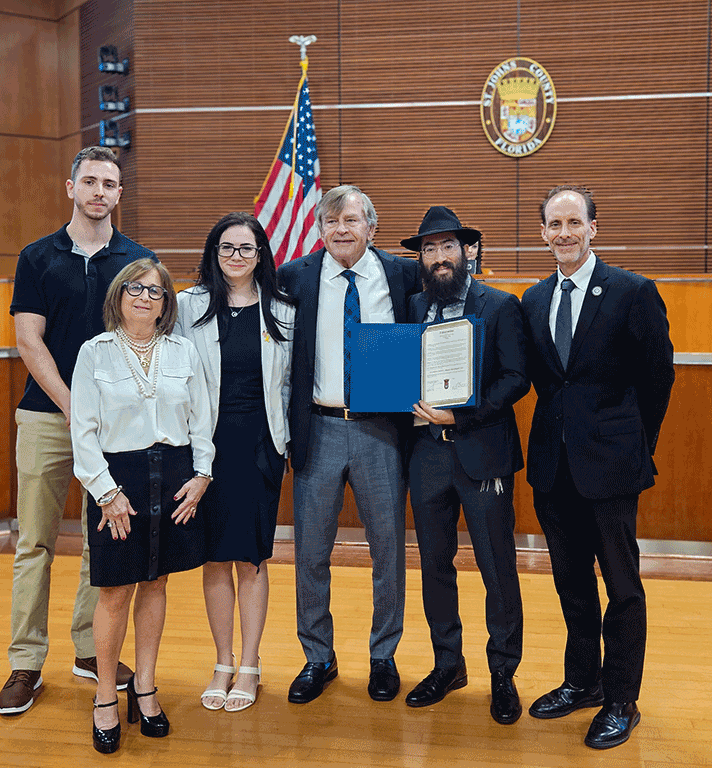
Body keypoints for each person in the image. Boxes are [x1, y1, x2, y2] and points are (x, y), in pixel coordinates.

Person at [1, 146, 153, 716]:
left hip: (117, 427)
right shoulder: (37, 257)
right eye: (89, 181)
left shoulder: (138, 261)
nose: (99, 191)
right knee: (34, 541)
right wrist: (73, 406)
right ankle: (25, 662)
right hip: (47, 415)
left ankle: (91, 651)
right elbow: (28, 340)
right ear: (70, 188)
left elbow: (148, 340)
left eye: (109, 183)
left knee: (104, 540)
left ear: (119, 194)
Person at [521, 185, 675, 749]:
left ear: (593, 227)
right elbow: (544, 382)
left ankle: (620, 700)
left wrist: (635, 445)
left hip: (612, 468)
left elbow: (658, 378)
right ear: (543, 233)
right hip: (553, 469)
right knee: (571, 583)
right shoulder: (532, 300)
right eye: (554, 225)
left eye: (573, 222)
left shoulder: (633, 292)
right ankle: (581, 681)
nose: (564, 233)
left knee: (622, 586)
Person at [278, 184, 422, 704]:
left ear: (372, 228)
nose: (342, 229)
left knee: (388, 550)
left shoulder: (403, 275)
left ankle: (383, 656)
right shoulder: (293, 277)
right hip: (317, 429)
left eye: (352, 220)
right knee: (311, 552)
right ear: (319, 228)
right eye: (332, 220)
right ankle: (318, 656)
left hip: (380, 430)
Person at [71, 259, 214, 753]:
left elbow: (202, 420)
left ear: (166, 304)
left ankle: (146, 688)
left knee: (156, 583)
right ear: (118, 295)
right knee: (114, 591)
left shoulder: (183, 351)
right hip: (118, 482)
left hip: (175, 478)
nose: (143, 297)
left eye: (154, 292)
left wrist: (201, 476)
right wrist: (106, 493)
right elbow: (83, 432)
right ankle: (107, 698)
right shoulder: (95, 353)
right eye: (134, 288)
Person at [399, 206, 529, 725]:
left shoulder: (499, 306)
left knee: (496, 568)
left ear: (467, 250)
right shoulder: (412, 307)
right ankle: (448, 664)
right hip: (427, 455)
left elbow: (516, 379)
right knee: (435, 565)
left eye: (446, 246)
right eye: (428, 249)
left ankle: (503, 671)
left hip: (482, 451)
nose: (437, 257)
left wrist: (463, 412)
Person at [174, 212, 295, 713]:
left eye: (246, 249)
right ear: (213, 253)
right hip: (206, 447)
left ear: (261, 255)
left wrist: (284, 444)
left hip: (261, 447)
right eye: (227, 248)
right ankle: (222, 661)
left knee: (252, 556)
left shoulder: (284, 309)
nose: (237, 258)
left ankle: (250, 663)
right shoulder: (188, 305)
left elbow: (290, 384)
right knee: (215, 556)